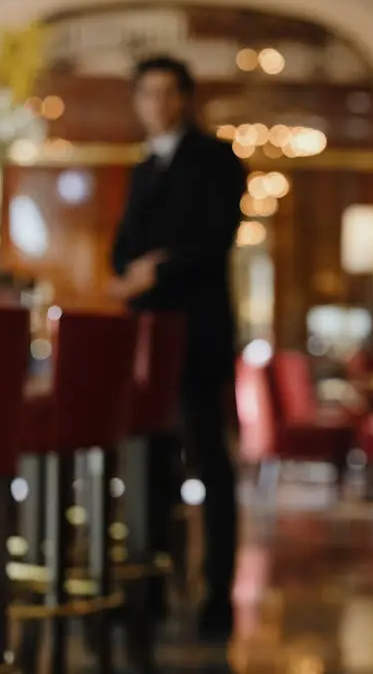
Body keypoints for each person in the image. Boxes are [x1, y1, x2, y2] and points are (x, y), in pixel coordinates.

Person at [110, 55, 247, 639]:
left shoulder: (217, 159)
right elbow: (121, 252)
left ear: (185, 98)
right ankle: (151, 592)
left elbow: (212, 241)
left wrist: (151, 273)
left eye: (169, 92)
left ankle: (219, 595)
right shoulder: (142, 168)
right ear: (138, 100)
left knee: (210, 463)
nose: (158, 103)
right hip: (149, 342)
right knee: (150, 468)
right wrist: (133, 273)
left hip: (198, 335)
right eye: (148, 93)